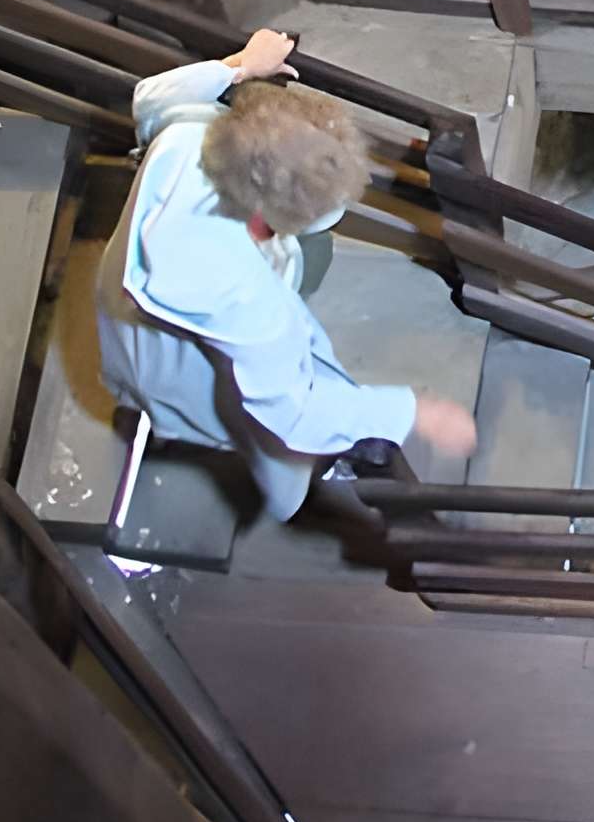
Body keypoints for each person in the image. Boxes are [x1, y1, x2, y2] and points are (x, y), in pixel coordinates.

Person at [96, 28, 477, 521]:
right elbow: (294, 412)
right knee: (225, 416)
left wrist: (240, 65)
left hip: (123, 303)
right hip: (188, 355)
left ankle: (144, 415)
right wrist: (412, 413)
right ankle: (175, 437)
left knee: (150, 383)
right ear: (267, 221)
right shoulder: (251, 304)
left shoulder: (189, 137)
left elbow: (151, 98)